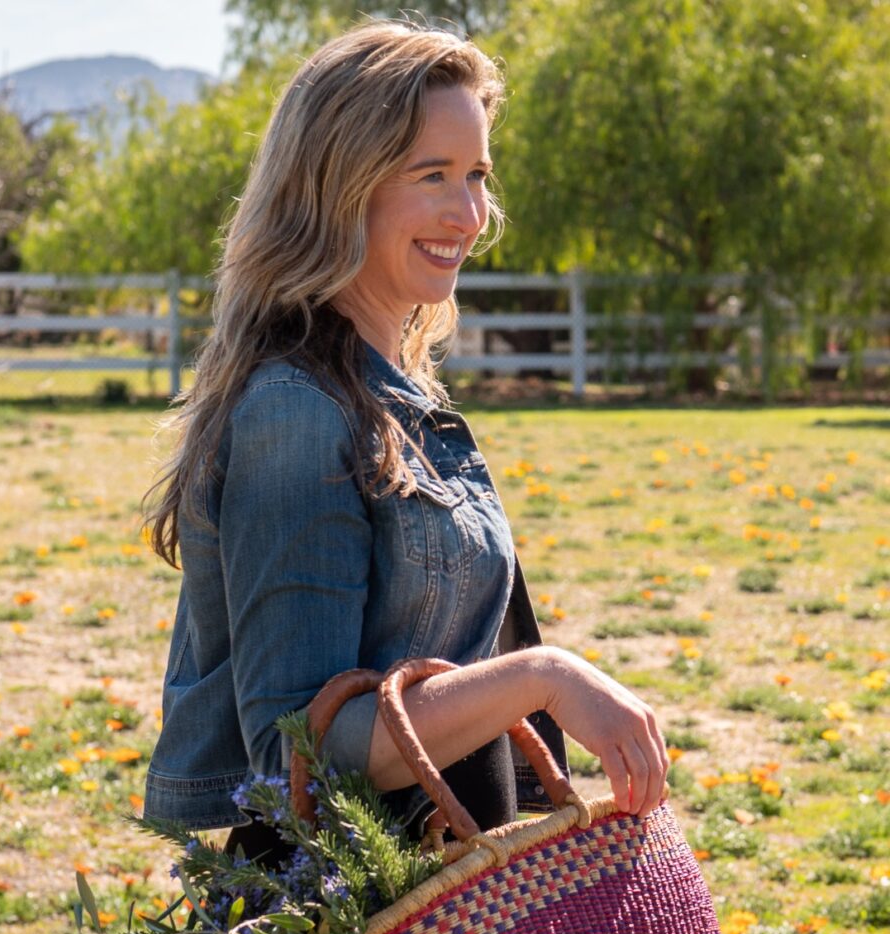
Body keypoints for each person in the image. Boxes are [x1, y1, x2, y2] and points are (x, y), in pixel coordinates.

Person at [141, 20, 668, 862]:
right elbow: (293, 758)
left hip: (445, 895)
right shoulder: (297, 412)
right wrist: (542, 677)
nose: (469, 215)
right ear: (340, 187)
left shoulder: (396, 391)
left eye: (477, 176)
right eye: (434, 176)